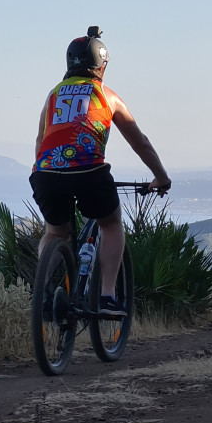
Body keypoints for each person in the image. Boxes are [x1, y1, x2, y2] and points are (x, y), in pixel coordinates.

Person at [30, 27, 171, 317]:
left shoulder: (53, 95)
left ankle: (41, 290)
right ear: (101, 66)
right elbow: (140, 143)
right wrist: (161, 176)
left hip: (46, 172)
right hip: (89, 171)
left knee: (56, 230)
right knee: (110, 223)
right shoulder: (107, 96)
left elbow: (40, 140)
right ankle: (107, 296)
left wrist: (45, 170)